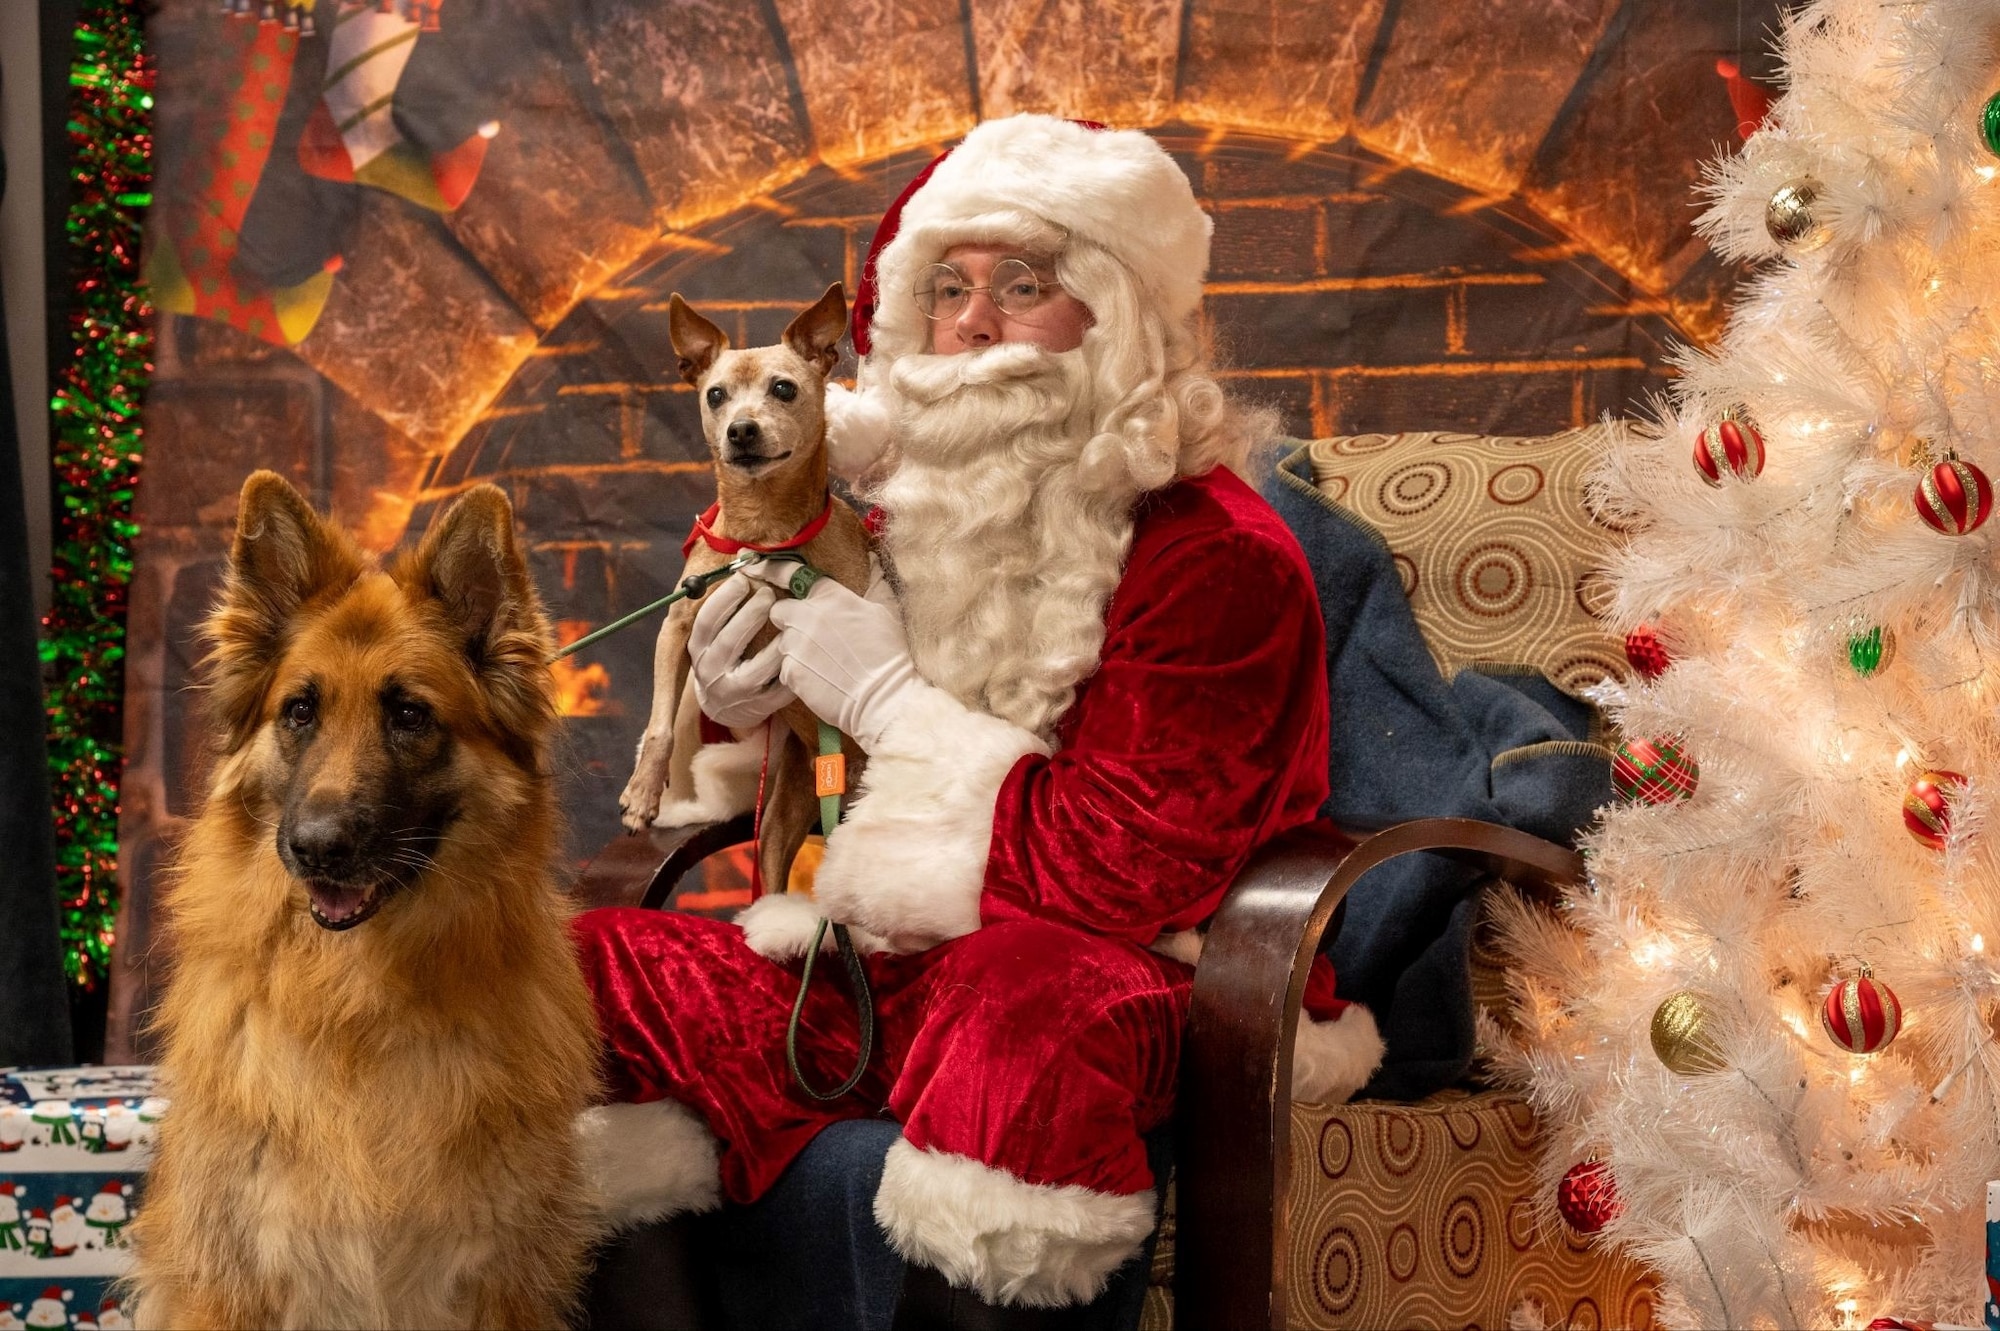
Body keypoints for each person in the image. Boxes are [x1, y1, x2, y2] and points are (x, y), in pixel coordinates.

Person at [573, 114, 1384, 1311]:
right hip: (887, 971)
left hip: (1146, 977)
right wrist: (749, 706)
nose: (972, 321)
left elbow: (1117, 873)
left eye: (1023, 284)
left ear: (1115, 321)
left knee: (1025, 1012)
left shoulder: (1217, 557)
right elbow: (829, 764)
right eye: (944, 289)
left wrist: (893, 701)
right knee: (577, 977)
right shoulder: (908, 523)